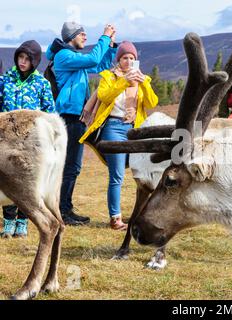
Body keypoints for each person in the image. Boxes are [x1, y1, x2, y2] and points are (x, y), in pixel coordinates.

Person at [79, 41, 158, 230]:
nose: (128, 61)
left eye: (132, 58)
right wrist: (124, 82)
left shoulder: (143, 79)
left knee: (142, 174)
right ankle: (115, 218)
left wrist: (143, 84)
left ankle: (141, 214)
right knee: (117, 175)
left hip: (135, 130)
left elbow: (152, 102)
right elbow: (105, 96)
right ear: (119, 59)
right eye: (125, 58)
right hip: (114, 128)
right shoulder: (109, 76)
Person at [46, 22, 118, 226]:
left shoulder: (74, 58)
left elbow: (101, 66)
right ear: (72, 36)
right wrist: (104, 37)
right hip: (69, 116)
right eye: (83, 34)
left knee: (71, 166)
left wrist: (110, 47)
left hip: (76, 117)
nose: (86, 38)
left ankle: (63, 207)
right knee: (71, 166)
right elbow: (93, 58)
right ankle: (63, 210)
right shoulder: (64, 56)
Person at [0, 40, 55, 238]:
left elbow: (50, 112)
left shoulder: (41, 83)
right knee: (8, 179)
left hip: (31, 141)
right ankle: (8, 222)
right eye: (20, 58)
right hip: (6, 140)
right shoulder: (5, 80)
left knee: (27, 181)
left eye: (27, 59)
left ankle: (23, 221)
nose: (22, 62)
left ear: (34, 61)